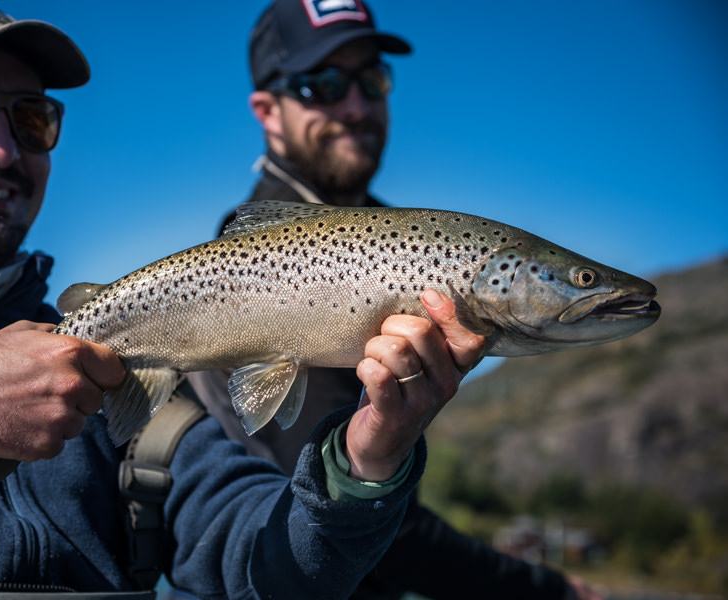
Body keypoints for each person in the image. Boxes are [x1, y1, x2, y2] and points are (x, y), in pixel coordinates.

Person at [0, 1, 487, 598]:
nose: (1, 148)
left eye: (30, 118)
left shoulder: (120, 365)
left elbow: (271, 566)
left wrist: (364, 464)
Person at [187, 1, 605, 599]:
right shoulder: (255, 275)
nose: (355, 106)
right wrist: (544, 589)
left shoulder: (406, 239)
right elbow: (366, 511)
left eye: (372, 80)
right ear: (267, 112)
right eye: (322, 84)